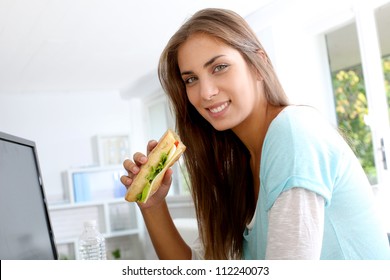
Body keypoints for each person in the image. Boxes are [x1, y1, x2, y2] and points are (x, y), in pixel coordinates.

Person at [121, 8, 390, 260]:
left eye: (219, 67)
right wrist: (152, 204)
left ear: (258, 64)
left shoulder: (293, 132)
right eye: (191, 79)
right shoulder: (235, 165)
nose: (205, 92)